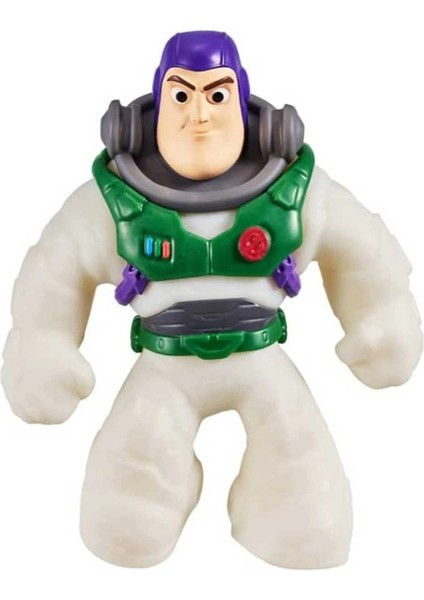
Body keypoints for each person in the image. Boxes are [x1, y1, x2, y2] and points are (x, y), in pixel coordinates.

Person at [2, 30, 422, 569]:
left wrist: (382, 317)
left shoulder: (296, 195)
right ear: (144, 115)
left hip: (261, 359)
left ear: (253, 113)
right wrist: (42, 344)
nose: (199, 115)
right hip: (165, 366)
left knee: (305, 510)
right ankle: (142, 509)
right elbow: (55, 272)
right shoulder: (111, 204)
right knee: (126, 517)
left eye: (217, 95)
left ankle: (284, 515)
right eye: (181, 95)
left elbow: (363, 251)